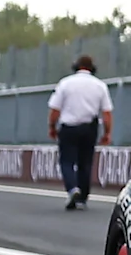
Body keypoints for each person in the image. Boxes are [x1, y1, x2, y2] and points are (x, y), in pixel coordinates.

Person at [46, 54, 112, 211]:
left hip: (68, 127)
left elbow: (55, 110)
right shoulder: (100, 86)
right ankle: (82, 198)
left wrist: (52, 127)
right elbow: (107, 114)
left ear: (75, 67)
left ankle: (72, 189)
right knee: (86, 163)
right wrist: (107, 133)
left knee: (67, 161)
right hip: (89, 128)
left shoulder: (65, 83)